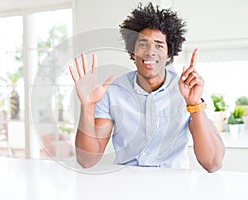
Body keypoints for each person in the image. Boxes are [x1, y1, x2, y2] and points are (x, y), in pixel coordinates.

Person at [69, 2, 225, 172]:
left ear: (169, 54)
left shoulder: (191, 92)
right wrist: (88, 107)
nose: (150, 51)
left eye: (159, 45)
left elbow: (213, 163)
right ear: (132, 51)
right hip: (127, 185)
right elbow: (86, 160)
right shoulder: (113, 92)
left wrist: (194, 105)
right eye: (143, 44)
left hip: (173, 186)